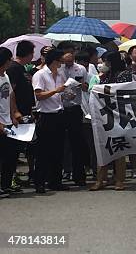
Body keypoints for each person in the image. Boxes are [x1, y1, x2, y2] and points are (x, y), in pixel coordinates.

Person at [90, 51, 128, 191]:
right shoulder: (106, 76)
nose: (104, 64)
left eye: (106, 62)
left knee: (119, 148)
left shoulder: (124, 74)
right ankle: (101, 179)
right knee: (103, 147)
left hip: (120, 116)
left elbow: (121, 92)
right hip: (105, 115)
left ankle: (119, 180)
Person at [32, 48, 68, 193]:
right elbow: (39, 95)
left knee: (58, 150)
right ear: (55, 61)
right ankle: (39, 182)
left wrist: (66, 94)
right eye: (60, 61)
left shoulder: (60, 75)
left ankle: (55, 181)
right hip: (45, 116)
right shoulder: (40, 75)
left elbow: (61, 93)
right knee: (43, 151)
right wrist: (56, 91)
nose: (61, 64)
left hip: (59, 114)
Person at [57, 41, 90, 187]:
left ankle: (79, 175)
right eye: (66, 54)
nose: (69, 59)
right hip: (60, 108)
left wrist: (81, 85)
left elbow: (86, 87)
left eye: (72, 54)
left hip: (75, 108)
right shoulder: (57, 69)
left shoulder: (81, 69)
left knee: (77, 143)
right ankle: (60, 173)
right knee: (60, 143)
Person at [6, 40, 36, 187]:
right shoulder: (13, 69)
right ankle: (9, 177)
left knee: (21, 148)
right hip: (16, 116)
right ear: (29, 53)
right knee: (13, 149)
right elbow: (11, 93)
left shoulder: (23, 69)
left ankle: (13, 175)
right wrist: (14, 112)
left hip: (26, 113)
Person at [0, 48, 21, 197]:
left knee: (10, 156)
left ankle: (6, 184)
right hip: (0, 123)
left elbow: (11, 96)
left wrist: (14, 113)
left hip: (9, 122)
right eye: (9, 59)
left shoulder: (5, 75)